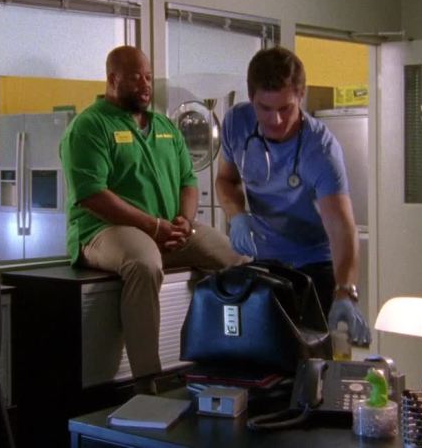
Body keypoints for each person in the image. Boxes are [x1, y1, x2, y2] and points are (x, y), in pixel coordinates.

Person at [61, 45, 246, 393]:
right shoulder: (89, 126)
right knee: (144, 264)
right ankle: (147, 380)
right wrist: (153, 227)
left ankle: (235, 359)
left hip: (167, 228)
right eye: (136, 78)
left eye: (148, 77)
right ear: (113, 79)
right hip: (104, 231)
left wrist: (184, 222)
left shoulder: (163, 126)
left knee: (237, 260)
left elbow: (188, 180)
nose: (145, 85)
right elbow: (92, 195)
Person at [215, 46, 371, 346]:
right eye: (264, 108)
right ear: (251, 97)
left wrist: (345, 292)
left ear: (301, 96)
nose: (275, 120)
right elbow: (225, 179)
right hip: (264, 262)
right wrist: (236, 216)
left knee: (310, 362)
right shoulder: (237, 124)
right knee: (261, 357)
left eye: (285, 108)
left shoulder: (320, 150)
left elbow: (341, 228)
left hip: (313, 266)